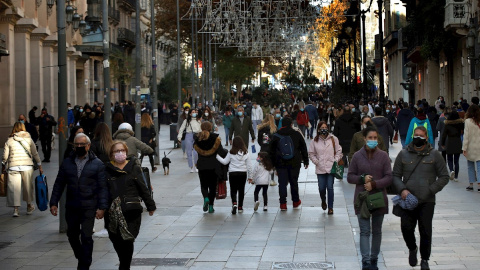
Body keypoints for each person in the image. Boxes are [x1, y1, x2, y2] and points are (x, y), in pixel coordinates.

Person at [392, 126, 449, 270]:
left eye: (421, 135)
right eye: (416, 135)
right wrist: (403, 190)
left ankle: (425, 259)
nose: (418, 138)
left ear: (426, 138)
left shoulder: (435, 155)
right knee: (406, 228)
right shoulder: (403, 154)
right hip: (408, 199)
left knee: (425, 231)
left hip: (427, 201)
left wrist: (431, 190)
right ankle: (412, 248)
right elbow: (395, 176)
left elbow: (444, 176)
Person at [49, 133, 108, 270]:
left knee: (86, 236)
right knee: (72, 235)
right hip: (72, 206)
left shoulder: (98, 164)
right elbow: (59, 184)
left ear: (88, 146)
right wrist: (53, 202)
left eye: (82, 144)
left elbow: (103, 187)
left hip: (89, 206)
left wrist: (102, 207)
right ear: (74, 146)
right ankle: (82, 256)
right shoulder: (67, 162)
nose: (80, 146)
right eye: (77, 144)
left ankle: (83, 265)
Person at [104, 140, 156, 269]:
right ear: (111, 154)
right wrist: (100, 208)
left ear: (126, 152)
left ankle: (124, 266)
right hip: (112, 213)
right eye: (117, 151)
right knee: (116, 240)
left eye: (122, 150)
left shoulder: (134, 167)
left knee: (127, 240)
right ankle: (124, 263)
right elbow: (102, 191)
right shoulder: (106, 169)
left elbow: (143, 188)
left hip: (132, 211)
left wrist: (150, 205)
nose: (120, 153)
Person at [347, 126, 392, 270]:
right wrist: (362, 178)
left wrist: (374, 184)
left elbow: (389, 178)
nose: (373, 140)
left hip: (378, 197)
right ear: (364, 139)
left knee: (377, 230)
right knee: (365, 230)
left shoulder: (383, 156)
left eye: (375, 138)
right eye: (370, 138)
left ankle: (374, 258)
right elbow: (350, 177)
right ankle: (365, 261)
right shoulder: (357, 156)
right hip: (362, 199)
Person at [2, 122, 43, 217]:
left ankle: (16, 210)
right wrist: (40, 165)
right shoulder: (29, 139)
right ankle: (29, 207)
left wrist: (3, 164)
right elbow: (35, 153)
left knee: (14, 188)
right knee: (28, 187)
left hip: (13, 166)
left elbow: (4, 156)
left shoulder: (10, 140)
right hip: (27, 166)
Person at [268, 117, 309, 210]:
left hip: (280, 163)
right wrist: (306, 160)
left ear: (282, 124)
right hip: (294, 162)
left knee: (282, 183)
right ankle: (295, 201)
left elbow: (271, 151)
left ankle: (283, 204)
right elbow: (303, 147)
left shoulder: (276, 135)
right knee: (294, 182)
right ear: (291, 124)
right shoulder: (296, 134)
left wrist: (273, 164)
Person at [308, 121, 342, 215]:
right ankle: (323, 200)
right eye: (322, 127)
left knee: (330, 187)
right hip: (320, 168)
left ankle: (330, 207)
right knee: (322, 188)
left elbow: (339, 150)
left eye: (325, 127)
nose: (324, 129)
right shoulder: (314, 141)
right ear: (318, 129)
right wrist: (316, 162)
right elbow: (311, 153)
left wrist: (335, 160)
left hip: (331, 167)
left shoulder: (333, 139)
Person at [217, 136, 252, 214]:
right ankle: (240, 207)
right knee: (241, 190)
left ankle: (234, 203)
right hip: (242, 173)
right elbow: (249, 166)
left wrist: (217, 156)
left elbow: (225, 162)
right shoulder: (246, 153)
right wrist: (250, 177)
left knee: (233, 189)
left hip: (233, 173)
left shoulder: (231, 152)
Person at [194, 121, 223, 213]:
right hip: (213, 165)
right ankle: (211, 206)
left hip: (202, 165)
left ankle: (205, 198)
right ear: (211, 128)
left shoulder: (198, 138)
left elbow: (194, 151)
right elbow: (221, 151)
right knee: (213, 187)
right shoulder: (215, 138)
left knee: (203, 184)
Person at [440, 111, 464, 182]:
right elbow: (463, 130)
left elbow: (444, 135)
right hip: (458, 141)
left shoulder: (447, 124)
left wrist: (442, 143)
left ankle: (451, 170)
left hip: (449, 141)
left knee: (450, 158)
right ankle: (456, 176)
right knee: (456, 160)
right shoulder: (460, 124)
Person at [462, 104, 480, 191]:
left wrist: (464, 148)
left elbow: (466, 136)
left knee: (470, 166)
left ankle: (471, 184)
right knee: (479, 166)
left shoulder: (468, 121)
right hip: (479, 147)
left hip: (470, 147)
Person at [257, 115, 278, 186]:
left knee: (264, 165)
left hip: (263, 149)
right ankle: (272, 180)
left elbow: (259, 140)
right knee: (272, 165)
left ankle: (263, 179)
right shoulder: (274, 128)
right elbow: (276, 140)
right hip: (271, 150)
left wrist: (263, 145)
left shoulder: (261, 129)